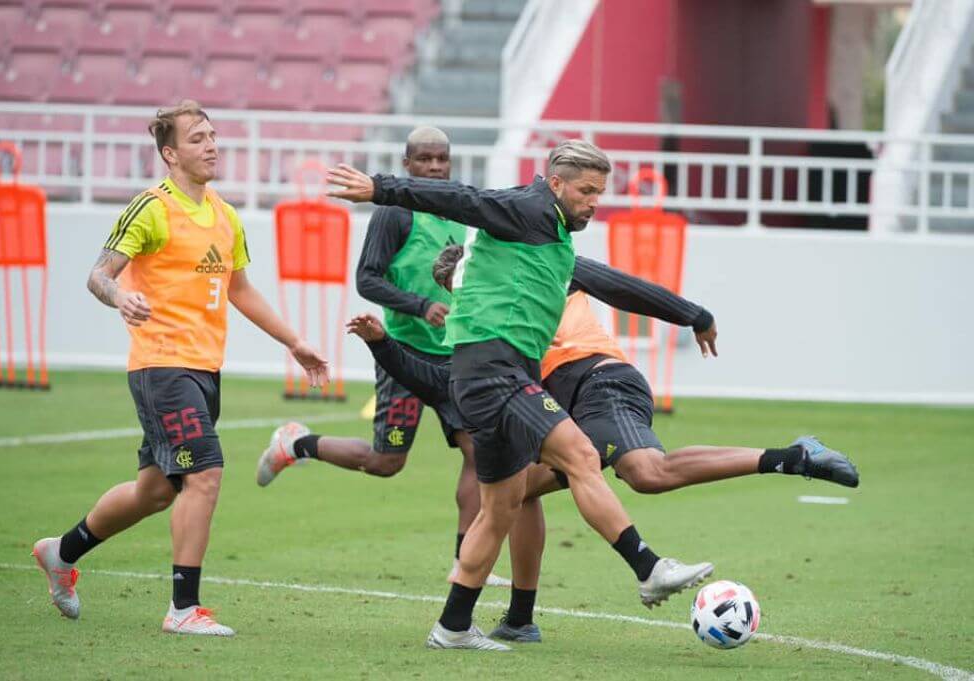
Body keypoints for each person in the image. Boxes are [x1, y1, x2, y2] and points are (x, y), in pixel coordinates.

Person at [345, 243, 859, 642]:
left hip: (597, 379)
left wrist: (693, 314)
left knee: (647, 473)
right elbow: (439, 377)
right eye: (458, 290)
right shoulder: (478, 321)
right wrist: (382, 344)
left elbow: (622, 286)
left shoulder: (543, 269)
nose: (466, 293)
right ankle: (520, 619)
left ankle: (792, 459)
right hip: (562, 403)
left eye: (466, 282)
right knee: (519, 488)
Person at [327, 139, 712, 652]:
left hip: (497, 376)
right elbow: (463, 199)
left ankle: (453, 627)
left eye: (600, 191)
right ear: (556, 184)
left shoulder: (551, 240)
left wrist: (692, 313)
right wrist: (381, 189)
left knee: (501, 506)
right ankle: (649, 567)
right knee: (579, 455)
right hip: (494, 374)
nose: (595, 201)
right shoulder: (528, 208)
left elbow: (614, 285)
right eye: (586, 191)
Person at [31, 100, 329, 636]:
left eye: (213, 135)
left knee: (156, 490)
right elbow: (99, 274)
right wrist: (119, 295)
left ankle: (61, 552)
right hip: (161, 365)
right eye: (197, 138)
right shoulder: (151, 208)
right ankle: (184, 609)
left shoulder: (225, 215)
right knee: (206, 473)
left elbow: (240, 290)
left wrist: (295, 341)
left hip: (203, 368)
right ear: (169, 154)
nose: (211, 145)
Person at [255, 127, 509, 586]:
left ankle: (466, 560)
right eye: (425, 160)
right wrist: (419, 305)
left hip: (454, 358)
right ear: (407, 163)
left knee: (479, 452)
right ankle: (296, 444)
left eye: (442, 160)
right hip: (405, 354)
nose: (434, 168)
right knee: (386, 463)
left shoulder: (458, 213)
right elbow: (367, 280)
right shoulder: (394, 213)